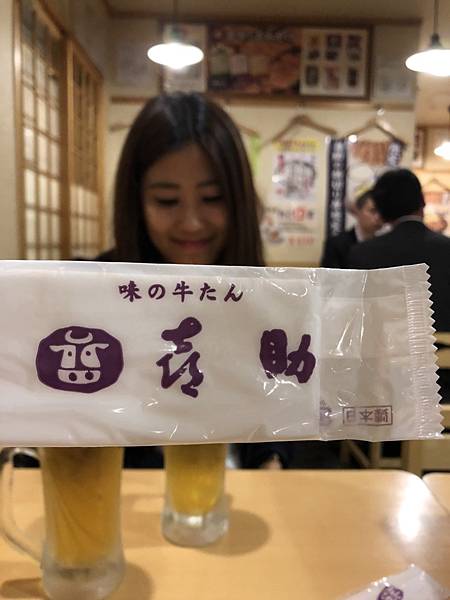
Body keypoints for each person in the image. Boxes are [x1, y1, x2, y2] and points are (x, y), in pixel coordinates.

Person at [98, 92, 293, 469]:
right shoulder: (101, 293)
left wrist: (272, 460)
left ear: (239, 200)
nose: (191, 223)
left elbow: (280, 406)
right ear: (136, 202)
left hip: (236, 492)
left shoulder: (262, 294)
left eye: (213, 198)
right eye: (167, 201)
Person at [348, 168, 450, 402]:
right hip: (444, 384)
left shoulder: (363, 254)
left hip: (385, 388)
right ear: (422, 205)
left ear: (381, 213)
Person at [320, 189, 382, 268]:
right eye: (372, 211)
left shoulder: (382, 245)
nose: (378, 217)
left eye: (381, 212)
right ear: (358, 210)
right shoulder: (336, 244)